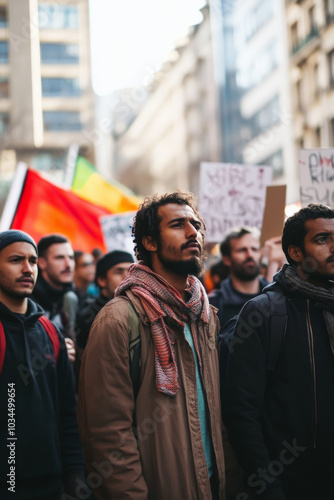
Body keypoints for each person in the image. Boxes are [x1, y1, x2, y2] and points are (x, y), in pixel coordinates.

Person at [77, 191, 226, 500]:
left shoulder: (205, 315)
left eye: (196, 224)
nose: (192, 232)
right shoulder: (118, 320)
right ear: (149, 242)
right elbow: (108, 436)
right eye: (178, 224)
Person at [222, 204, 334, 500]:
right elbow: (241, 410)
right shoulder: (266, 313)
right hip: (291, 484)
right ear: (296, 253)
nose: (333, 246)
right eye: (322, 239)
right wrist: (268, 486)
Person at [0, 230, 84, 499]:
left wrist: (74, 478)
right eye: (15, 260)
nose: (27, 269)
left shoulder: (50, 332)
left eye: (33, 261)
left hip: (51, 487)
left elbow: (68, 415)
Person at [209, 227, 277, 328]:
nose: (250, 255)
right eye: (242, 250)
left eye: (254, 249)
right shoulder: (213, 305)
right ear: (227, 259)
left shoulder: (276, 298)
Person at [75, 249, 134, 353]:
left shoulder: (144, 309)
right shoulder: (89, 318)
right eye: (118, 271)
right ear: (102, 280)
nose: (127, 277)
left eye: (131, 271)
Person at [32, 234, 77, 362]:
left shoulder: (70, 299)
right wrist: (54, 353)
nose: (68, 264)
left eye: (71, 257)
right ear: (41, 262)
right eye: (59, 258)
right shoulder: (27, 303)